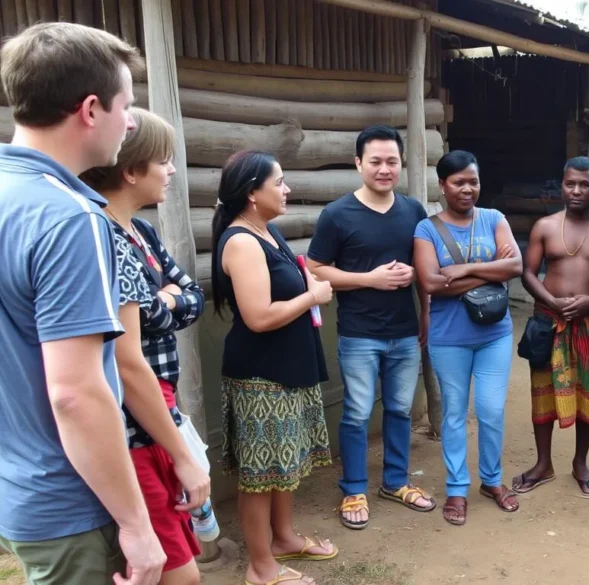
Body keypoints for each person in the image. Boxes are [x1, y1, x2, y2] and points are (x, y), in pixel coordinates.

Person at [0, 22, 167, 585]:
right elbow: (74, 392)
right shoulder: (69, 217)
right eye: (128, 105)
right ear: (91, 109)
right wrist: (136, 524)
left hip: (18, 486)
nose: (132, 122)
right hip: (71, 501)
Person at [80, 108, 212, 585]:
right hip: (134, 429)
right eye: (164, 160)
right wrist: (165, 302)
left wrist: (164, 302)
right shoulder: (106, 237)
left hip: (160, 412)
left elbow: (193, 297)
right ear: (132, 171)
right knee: (178, 573)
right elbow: (130, 354)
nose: (172, 170)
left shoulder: (144, 231)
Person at [212, 150, 337, 585]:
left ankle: (283, 538)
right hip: (259, 376)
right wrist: (312, 297)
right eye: (279, 182)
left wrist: (307, 287)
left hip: (287, 366)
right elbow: (259, 317)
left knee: (284, 464)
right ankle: (261, 566)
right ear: (252, 192)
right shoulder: (242, 242)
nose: (287, 189)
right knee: (260, 474)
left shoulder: (265, 231)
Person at [306, 125, 435, 529]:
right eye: (375, 161)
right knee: (358, 413)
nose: (384, 169)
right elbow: (316, 268)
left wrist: (424, 307)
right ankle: (354, 489)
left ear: (401, 164)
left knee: (399, 409)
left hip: (405, 330)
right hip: (359, 333)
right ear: (358, 163)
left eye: (392, 161)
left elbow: (425, 264)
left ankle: (395, 482)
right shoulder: (337, 214)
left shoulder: (413, 211)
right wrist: (370, 279)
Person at [412, 151, 523, 525]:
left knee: (491, 410)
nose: (467, 189)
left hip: (494, 334)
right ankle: (457, 488)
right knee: (455, 414)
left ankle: (491, 481)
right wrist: (492, 270)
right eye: (458, 182)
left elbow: (516, 265)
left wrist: (463, 270)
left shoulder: (494, 219)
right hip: (449, 337)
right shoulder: (427, 229)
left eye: (473, 181)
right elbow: (431, 283)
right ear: (442, 185)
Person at [514, 156, 589, 498]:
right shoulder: (545, 226)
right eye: (570, 184)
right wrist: (552, 300)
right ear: (561, 186)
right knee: (542, 391)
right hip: (549, 321)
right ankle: (543, 463)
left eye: (584, 185)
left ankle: (580, 462)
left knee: (588, 392)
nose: (576, 190)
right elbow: (528, 272)